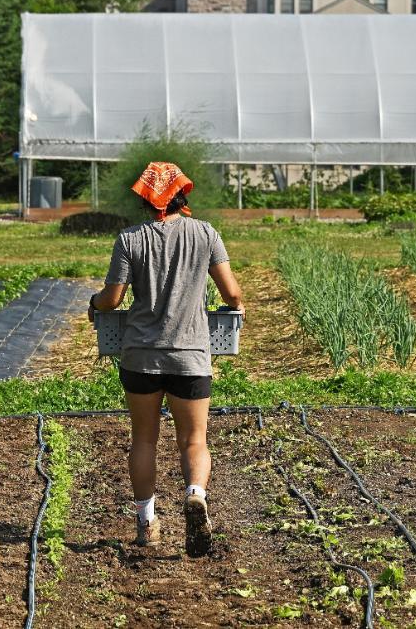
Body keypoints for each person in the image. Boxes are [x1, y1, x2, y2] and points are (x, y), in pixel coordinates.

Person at [89, 161, 244, 556]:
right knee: (194, 440)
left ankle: (147, 523)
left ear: (146, 196)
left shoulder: (130, 239)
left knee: (143, 440)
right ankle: (195, 495)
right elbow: (232, 294)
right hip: (190, 357)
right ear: (182, 193)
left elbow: (113, 299)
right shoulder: (206, 233)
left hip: (140, 357)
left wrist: (94, 303)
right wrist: (237, 305)